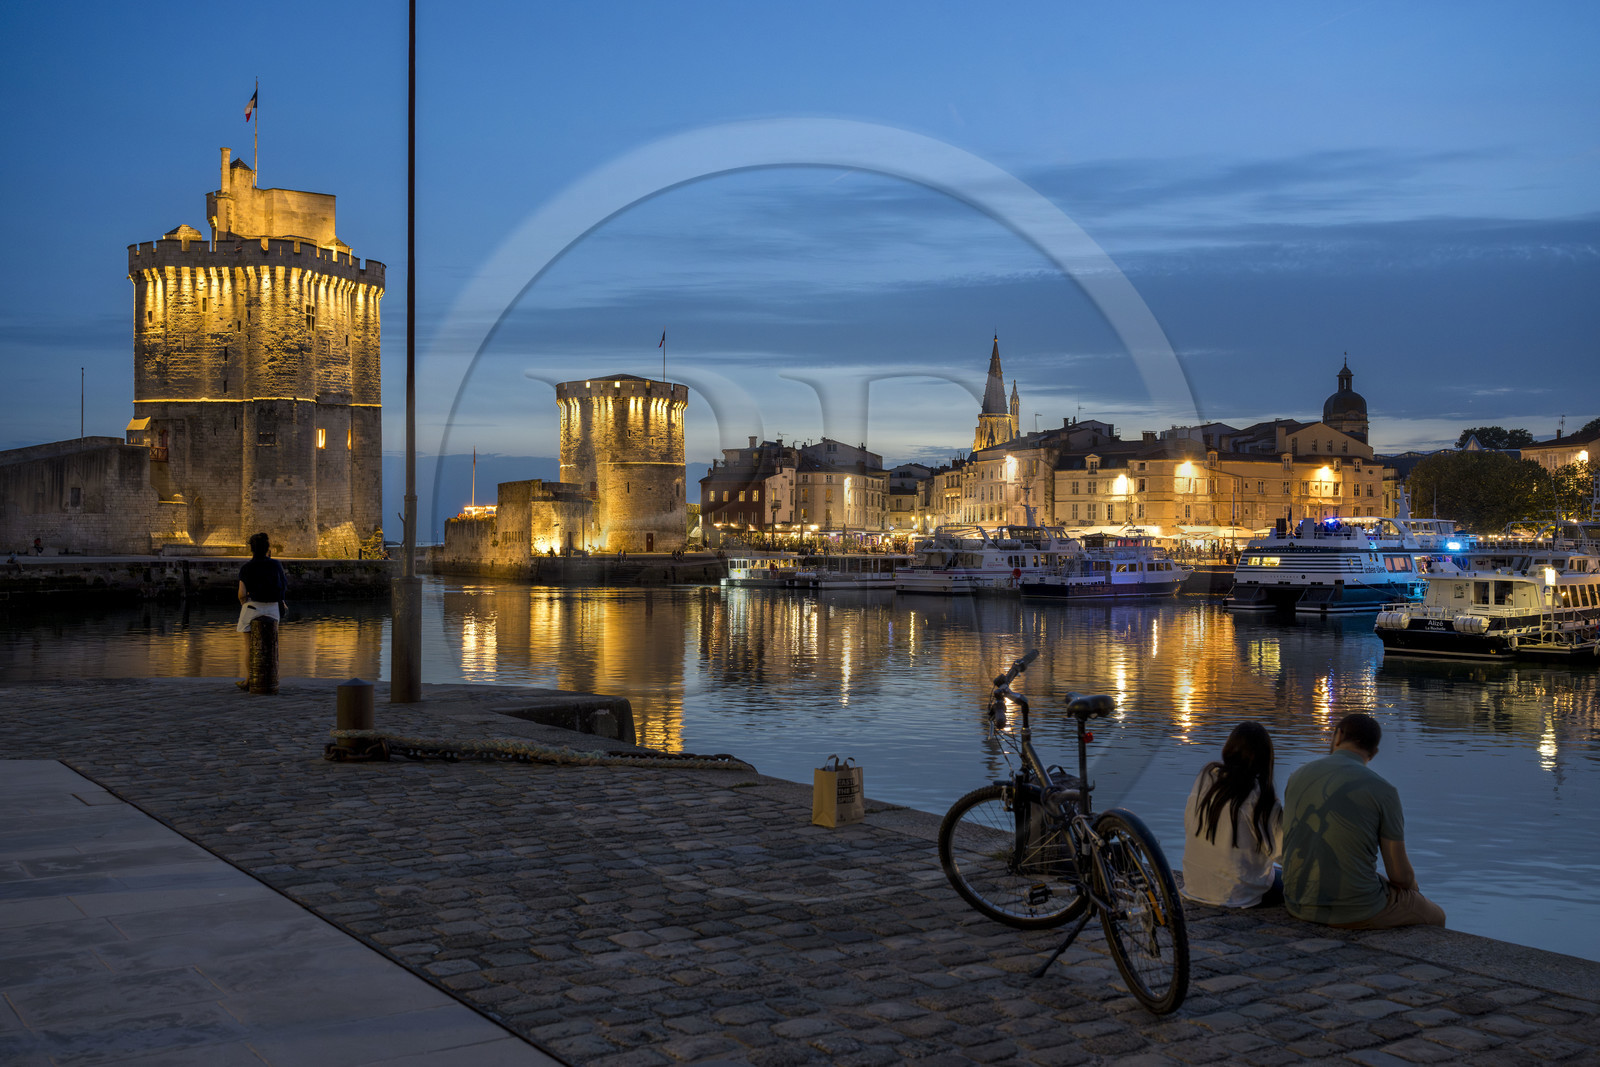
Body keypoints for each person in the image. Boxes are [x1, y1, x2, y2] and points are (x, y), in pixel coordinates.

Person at [1281, 712, 1446, 929]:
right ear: (1374, 753)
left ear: (1338, 736)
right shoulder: (1383, 791)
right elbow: (1399, 875)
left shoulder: (1297, 776)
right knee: (1436, 916)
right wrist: (1412, 888)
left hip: (1296, 902)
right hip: (1356, 910)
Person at [1182, 722, 1283, 908]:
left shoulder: (1207, 777)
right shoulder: (1261, 799)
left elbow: (1188, 824)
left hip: (1194, 886)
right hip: (1236, 895)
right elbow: (1284, 853)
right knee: (1286, 879)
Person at [235, 533, 288, 693]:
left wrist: (245, 604)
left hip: (252, 608)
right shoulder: (276, 565)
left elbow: (241, 594)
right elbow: (283, 587)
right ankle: (271, 679)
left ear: (252, 549)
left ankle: (249, 680)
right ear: (267, 549)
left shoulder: (246, 568)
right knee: (272, 643)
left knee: (248, 646)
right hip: (273, 609)